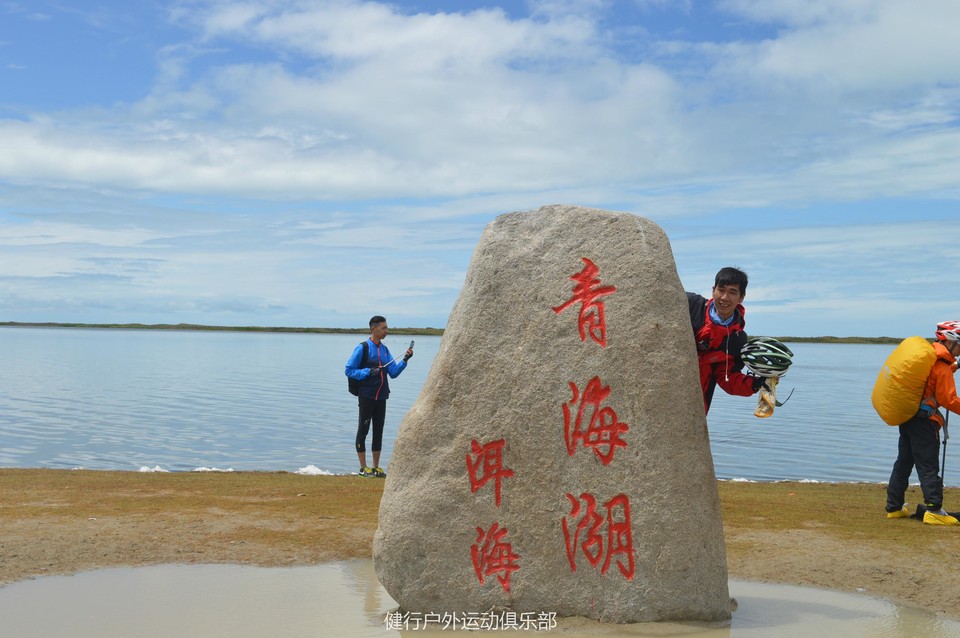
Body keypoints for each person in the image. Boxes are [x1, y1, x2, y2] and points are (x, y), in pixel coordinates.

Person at [885, 321, 960, 525]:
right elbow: (948, 399)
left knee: (903, 463)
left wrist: (955, 366)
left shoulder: (929, 358)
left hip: (909, 417)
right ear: (951, 342)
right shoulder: (941, 366)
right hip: (926, 423)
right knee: (928, 466)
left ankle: (894, 508)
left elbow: (934, 378)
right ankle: (934, 510)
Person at [686, 267, 768, 413]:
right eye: (721, 290)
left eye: (732, 292)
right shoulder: (692, 304)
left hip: (696, 408)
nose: (724, 297)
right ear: (713, 290)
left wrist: (755, 384)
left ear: (741, 297)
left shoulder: (737, 340)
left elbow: (728, 379)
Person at [344, 316, 413, 478]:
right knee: (363, 429)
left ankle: (375, 468)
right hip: (367, 395)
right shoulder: (363, 348)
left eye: (386, 328)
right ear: (373, 329)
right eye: (384, 328)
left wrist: (405, 360)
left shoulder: (385, 350)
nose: (386, 331)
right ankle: (363, 468)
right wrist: (369, 372)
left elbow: (393, 373)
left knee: (378, 431)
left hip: (382, 396)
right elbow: (349, 370)